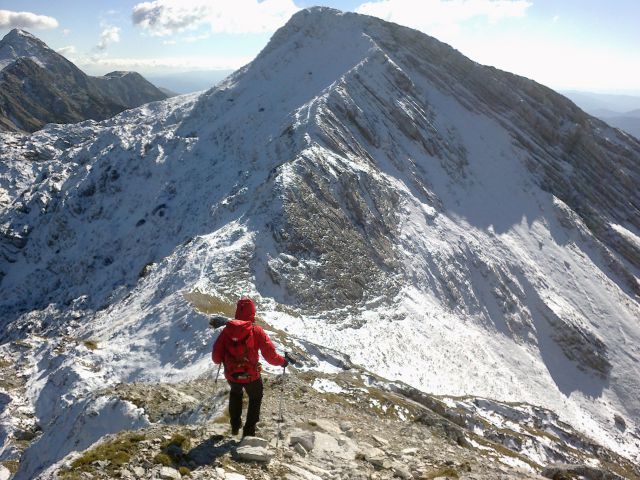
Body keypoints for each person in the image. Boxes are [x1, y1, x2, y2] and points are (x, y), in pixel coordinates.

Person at [212, 296, 288, 437]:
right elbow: (270, 356)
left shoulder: (226, 331)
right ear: (252, 312)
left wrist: (226, 360)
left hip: (232, 375)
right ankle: (249, 431)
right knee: (255, 397)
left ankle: (235, 426)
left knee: (235, 394)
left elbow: (216, 358)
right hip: (251, 376)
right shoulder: (256, 331)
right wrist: (283, 362)